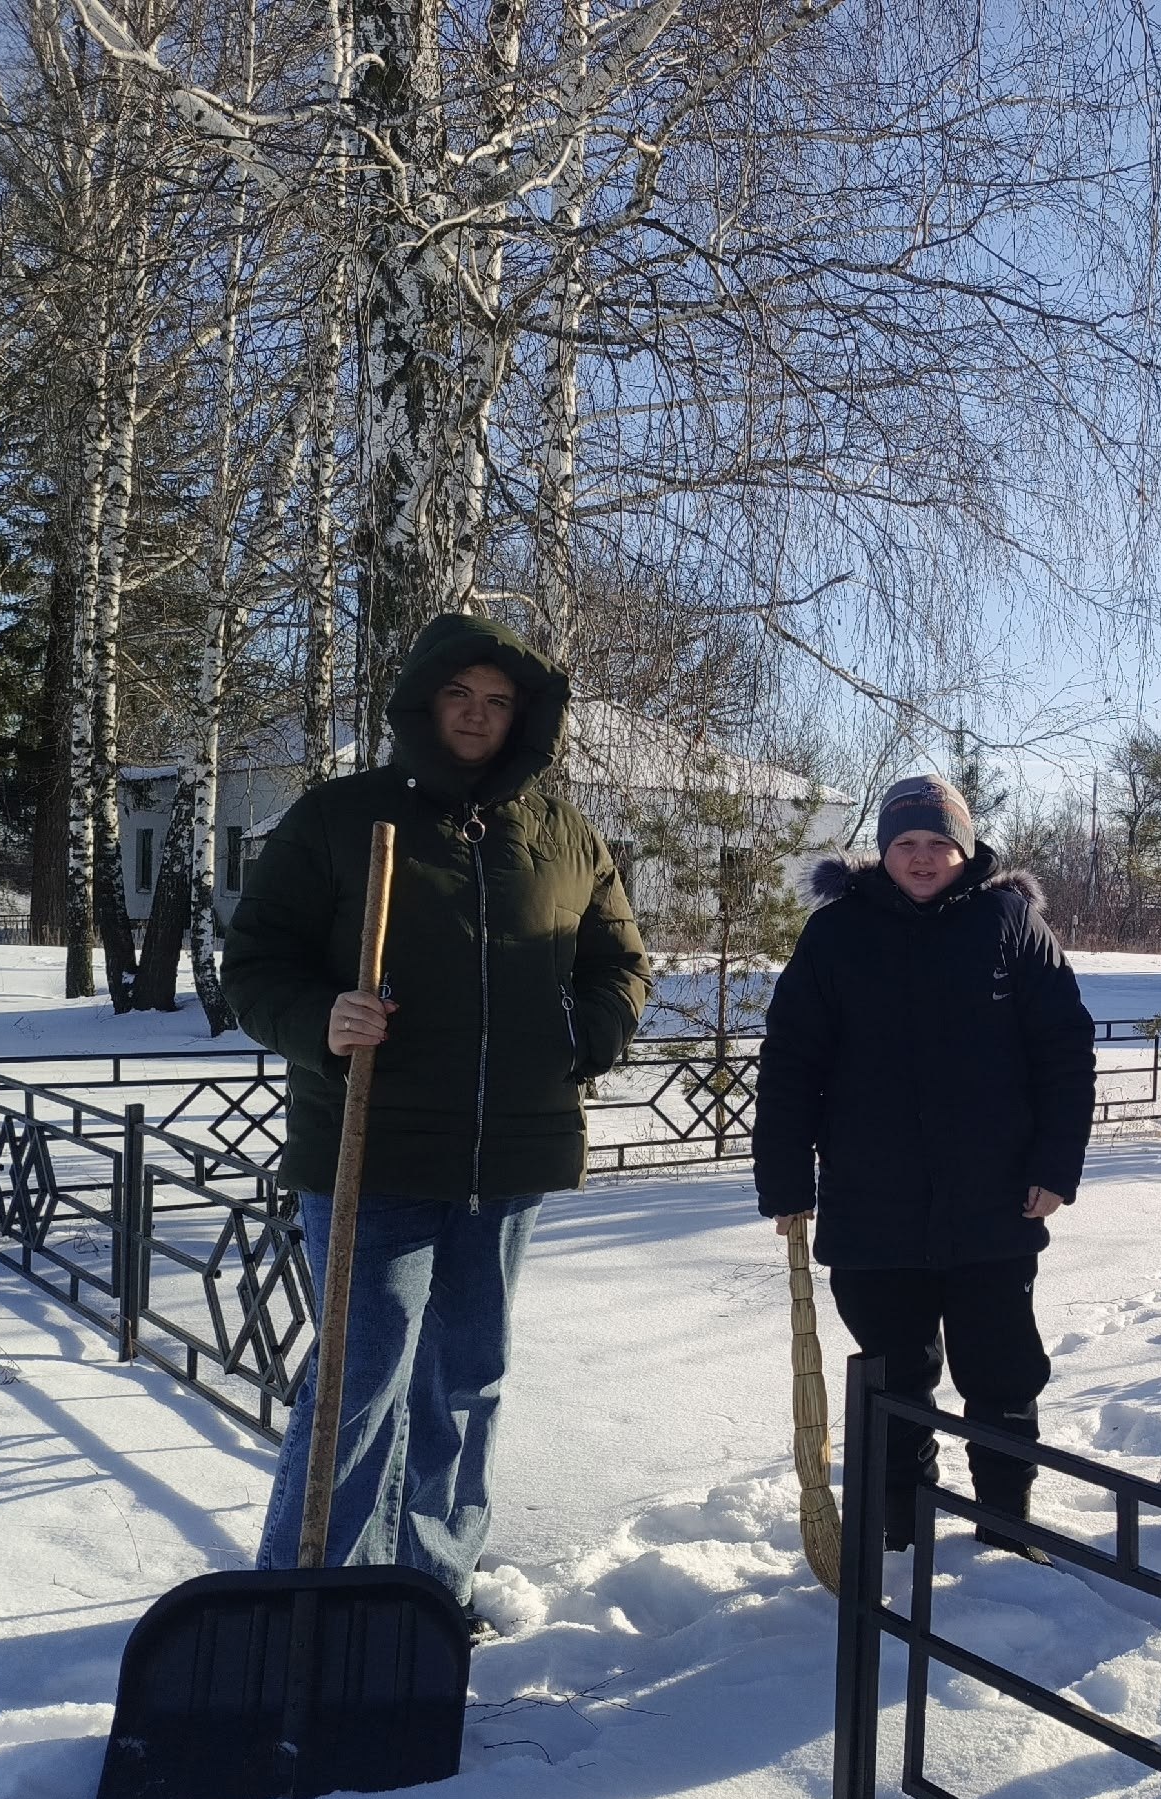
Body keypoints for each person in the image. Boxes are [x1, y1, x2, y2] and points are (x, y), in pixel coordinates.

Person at [222, 612, 650, 1628]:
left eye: (498, 701)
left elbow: (620, 964)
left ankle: (427, 1596)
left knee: (465, 1381)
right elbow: (257, 965)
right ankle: (309, 1603)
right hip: (372, 1147)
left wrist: (580, 1036)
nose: (476, 714)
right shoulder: (341, 819)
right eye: (459, 694)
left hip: (507, 1157)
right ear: (423, 701)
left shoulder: (565, 837)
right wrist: (322, 1018)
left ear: (524, 718)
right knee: (359, 1379)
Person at [753, 774, 1095, 1559]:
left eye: (939, 842)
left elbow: (1064, 1052)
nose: (922, 857)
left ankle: (1005, 1522)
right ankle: (897, 1526)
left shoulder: (1010, 923)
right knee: (893, 1377)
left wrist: (1056, 1165)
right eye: (905, 842)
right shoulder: (837, 933)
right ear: (881, 850)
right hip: (872, 1204)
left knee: (1002, 1370)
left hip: (996, 1199)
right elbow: (791, 1062)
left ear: (965, 848)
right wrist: (785, 1181)